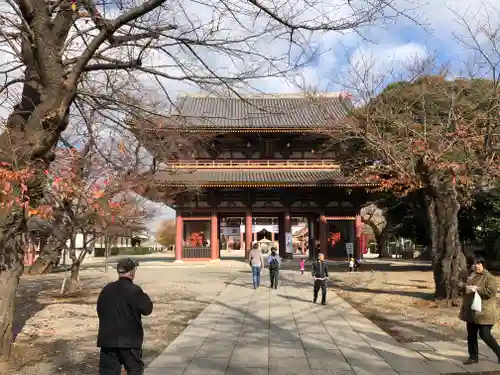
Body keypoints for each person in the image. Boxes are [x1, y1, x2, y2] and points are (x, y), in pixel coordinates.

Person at [97, 258, 153, 375]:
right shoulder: (134, 290)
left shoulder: (106, 289)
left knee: (108, 372)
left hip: (108, 339)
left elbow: (100, 310)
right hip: (129, 340)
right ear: (132, 273)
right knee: (134, 370)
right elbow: (147, 309)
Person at [459, 256, 500, 365]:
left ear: (483, 265)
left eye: (479, 264)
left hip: (484, 312)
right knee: (471, 335)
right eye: (474, 264)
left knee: (485, 334)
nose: (476, 266)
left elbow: (490, 292)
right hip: (471, 311)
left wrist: (477, 289)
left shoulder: (489, 278)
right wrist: (464, 287)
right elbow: (460, 287)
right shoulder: (469, 276)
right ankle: (473, 357)